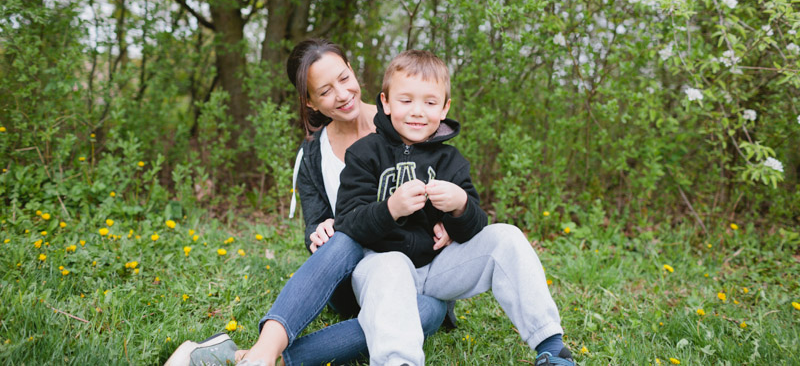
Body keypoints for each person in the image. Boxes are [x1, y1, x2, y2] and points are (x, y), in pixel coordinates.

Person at [166, 40, 447, 366]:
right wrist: (318, 231)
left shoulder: (406, 119)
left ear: (353, 71)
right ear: (309, 102)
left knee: (428, 311)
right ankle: (265, 350)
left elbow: (448, 179)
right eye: (325, 91)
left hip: (415, 271)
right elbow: (313, 224)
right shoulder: (313, 154)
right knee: (348, 233)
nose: (342, 95)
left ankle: (248, 358)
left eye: (344, 79)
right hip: (354, 275)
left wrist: (450, 218)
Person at [333, 49, 574, 366]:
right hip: (379, 265)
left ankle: (551, 346)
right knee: (389, 266)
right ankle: (398, 361)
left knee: (506, 237)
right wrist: (390, 208)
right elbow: (347, 223)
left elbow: (474, 227)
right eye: (406, 101)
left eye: (430, 103)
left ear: (444, 108)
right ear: (386, 102)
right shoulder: (364, 153)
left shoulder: (451, 160)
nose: (418, 111)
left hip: (437, 268)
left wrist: (460, 207)